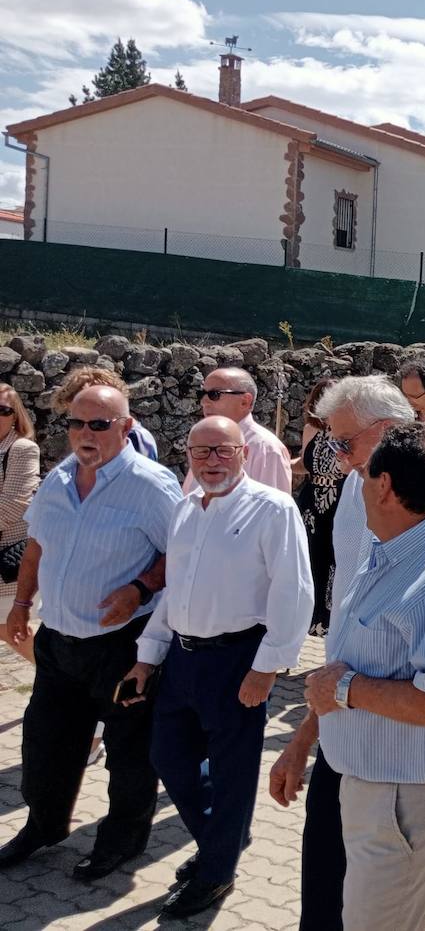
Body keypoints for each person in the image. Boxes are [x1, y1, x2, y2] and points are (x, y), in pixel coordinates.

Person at [272, 377, 425, 931]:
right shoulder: (362, 489)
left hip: (414, 748)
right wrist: (307, 734)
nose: (336, 455)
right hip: (356, 727)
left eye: (344, 442)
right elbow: (353, 635)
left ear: (385, 432)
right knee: (330, 873)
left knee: (422, 831)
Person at [124, 416, 313, 917]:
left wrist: (267, 669)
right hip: (183, 659)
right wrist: (148, 655)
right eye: (200, 451)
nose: (210, 462)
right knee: (168, 757)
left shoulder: (272, 509)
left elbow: (293, 592)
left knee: (232, 773)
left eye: (221, 451)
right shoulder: (186, 509)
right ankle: (221, 839)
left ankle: (216, 872)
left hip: (238, 659)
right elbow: (175, 591)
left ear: (243, 454)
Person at [0, 385, 182, 877]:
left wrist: (141, 588)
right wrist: (19, 603)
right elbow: (37, 544)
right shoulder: (59, 477)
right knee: (45, 741)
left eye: (99, 424)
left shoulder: (153, 485)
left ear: (126, 427)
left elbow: (182, 555)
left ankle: (121, 842)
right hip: (58, 640)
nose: (85, 434)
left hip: (121, 645)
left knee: (127, 753)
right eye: (77, 424)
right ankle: (44, 825)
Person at [184, 368, 291, 494]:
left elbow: (273, 508)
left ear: (245, 401)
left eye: (214, 395)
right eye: (201, 394)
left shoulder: (266, 450)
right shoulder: (204, 442)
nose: (204, 402)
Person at [295, 379, 346, 635]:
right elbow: (305, 463)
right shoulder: (310, 429)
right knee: (309, 557)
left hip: (339, 500)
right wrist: (283, 462)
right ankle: (307, 618)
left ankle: (328, 621)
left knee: (333, 558)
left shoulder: (346, 432)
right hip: (311, 500)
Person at [53, 366, 159, 459]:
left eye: (96, 423)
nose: (83, 432)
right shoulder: (116, 435)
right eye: (77, 422)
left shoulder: (133, 441)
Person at [1, 384, 39, 594]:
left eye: (3, 410)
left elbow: (11, 506)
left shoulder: (22, 449)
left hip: (6, 567)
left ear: (15, 416)